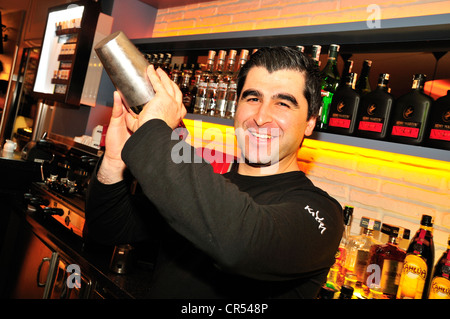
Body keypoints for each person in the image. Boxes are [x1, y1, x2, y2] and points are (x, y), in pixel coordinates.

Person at [84, 46, 344, 298]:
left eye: (283, 103)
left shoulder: (322, 213)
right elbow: (106, 228)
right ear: (236, 107)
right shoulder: (205, 185)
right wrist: (115, 161)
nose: (262, 116)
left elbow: (241, 246)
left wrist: (153, 129)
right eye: (252, 98)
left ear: (310, 121)